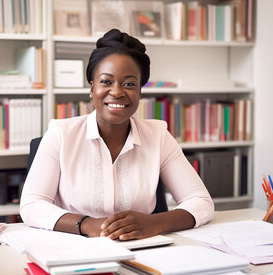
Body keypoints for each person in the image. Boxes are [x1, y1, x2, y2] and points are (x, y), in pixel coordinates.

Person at [20, 28, 214, 240]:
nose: (117, 92)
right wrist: (87, 225)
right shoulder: (61, 134)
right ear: (92, 87)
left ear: (140, 91)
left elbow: (201, 201)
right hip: (76, 247)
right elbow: (32, 205)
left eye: (129, 84)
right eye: (106, 81)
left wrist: (154, 222)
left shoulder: (158, 135)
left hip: (142, 248)